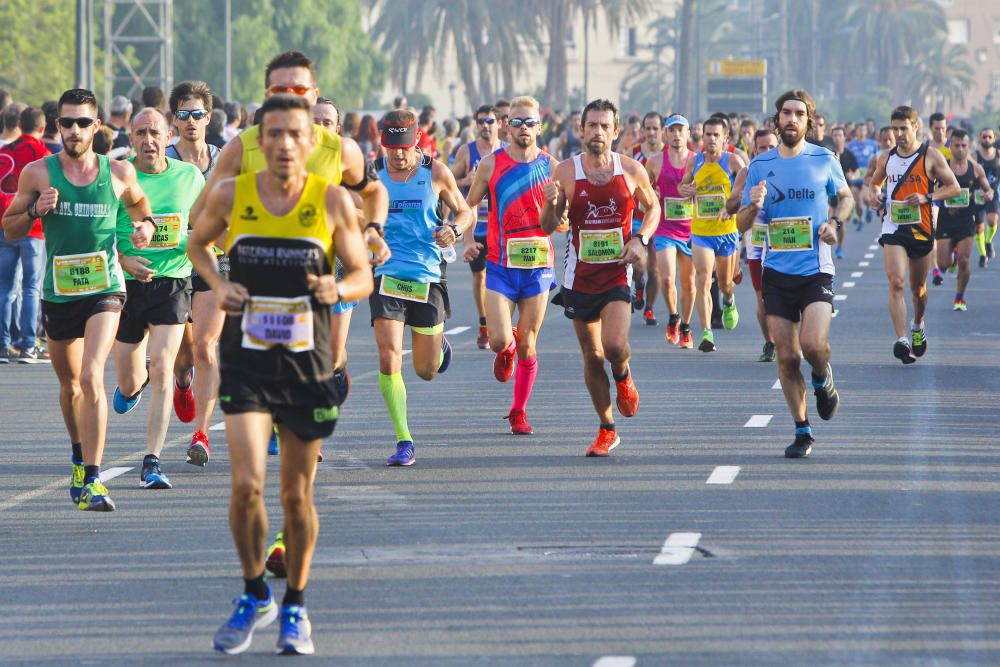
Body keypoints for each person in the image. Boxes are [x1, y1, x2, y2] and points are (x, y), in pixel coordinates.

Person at [190, 94, 371, 655]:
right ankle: (252, 593)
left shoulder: (333, 201)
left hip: (307, 364)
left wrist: (336, 288)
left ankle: (295, 603)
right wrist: (219, 286)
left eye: (297, 134)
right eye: (275, 134)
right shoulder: (232, 194)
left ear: (312, 141)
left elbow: (362, 274)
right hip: (247, 359)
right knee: (246, 485)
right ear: (259, 140)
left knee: (296, 496)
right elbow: (196, 242)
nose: (286, 144)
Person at [2, 88, 155, 511]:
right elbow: (9, 228)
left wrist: (145, 227)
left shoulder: (119, 173)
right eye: (67, 123)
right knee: (69, 387)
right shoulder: (38, 173)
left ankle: (93, 477)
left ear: (97, 127)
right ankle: (77, 454)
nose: (74, 130)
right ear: (57, 127)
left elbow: (142, 207)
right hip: (60, 292)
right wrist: (35, 212)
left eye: (83, 123)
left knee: (91, 376)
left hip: (106, 287)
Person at [736, 89, 854, 459]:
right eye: (785, 113)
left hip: (815, 268)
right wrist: (753, 207)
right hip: (776, 272)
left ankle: (822, 377)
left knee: (814, 345)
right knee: (787, 357)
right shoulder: (759, 166)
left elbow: (846, 197)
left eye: (798, 114)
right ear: (777, 120)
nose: (791, 119)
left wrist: (835, 221)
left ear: (808, 121)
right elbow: (739, 222)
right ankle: (802, 430)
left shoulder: (824, 158)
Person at [542, 99, 659, 456]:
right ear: (581, 130)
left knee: (613, 346)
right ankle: (607, 427)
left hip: (616, 273)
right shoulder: (564, 171)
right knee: (592, 356)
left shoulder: (631, 170)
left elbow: (654, 208)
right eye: (591, 125)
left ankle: (623, 374)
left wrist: (641, 239)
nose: (597, 131)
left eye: (604, 126)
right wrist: (552, 203)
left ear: (616, 131)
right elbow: (549, 225)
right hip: (579, 277)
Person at [371, 109, 473, 466]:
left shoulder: (436, 172)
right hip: (386, 274)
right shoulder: (373, 175)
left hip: (427, 276)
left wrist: (455, 230)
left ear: (416, 140)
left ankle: (439, 346)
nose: (397, 154)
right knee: (389, 357)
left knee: (425, 371)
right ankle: (404, 440)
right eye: (390, 147)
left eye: (402, 146)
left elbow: (465, 212)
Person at [109, 108, 205, 489]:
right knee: (132, 382)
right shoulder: (118, 176)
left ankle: (153, 461)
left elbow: (204, 225)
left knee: (165, 367)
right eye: (140, 133)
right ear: (130, 138)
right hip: (126, 285)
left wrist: (199, 245)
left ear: (169, 136)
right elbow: (100, 235)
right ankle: (132, 385)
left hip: (173, 282)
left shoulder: (189, 177)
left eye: (155, 132)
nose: (148, 140)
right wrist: (123, 259)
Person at [466, 96, 558, 435]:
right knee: (498, 340)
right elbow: (470, 205)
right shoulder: (491, 165)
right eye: (516, 122)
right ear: (507, 125)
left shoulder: (552, 166)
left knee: (529, 344)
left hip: (538, 266)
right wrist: (466, 239)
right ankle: (505, 347)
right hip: (501, 265)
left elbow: (560, 221)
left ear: (539, 126)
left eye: (529, 122)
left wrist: (557, 208)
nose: (523, 128)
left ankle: (518, 411)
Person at [162, 80, 224, 466]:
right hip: (171, 263)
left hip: (216, 263)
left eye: (197, 114)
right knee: (182, 355)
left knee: (205, 346)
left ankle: (200, 434)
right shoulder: (163, 159)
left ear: (209, 117)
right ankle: (182, 382)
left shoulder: (224, 159)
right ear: (174, 119)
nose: (191, 121)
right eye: (183, 115)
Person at [868, 106, 960, 364]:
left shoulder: (931, 157)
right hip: (893, 227)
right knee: (896, 281)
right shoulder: (886, 157)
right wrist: (874, 196)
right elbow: (874, 184)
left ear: (915, 127)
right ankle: (901, 340)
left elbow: (953, 188)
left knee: (918, 290)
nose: (897, 133)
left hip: (922, 228)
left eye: (903, 128)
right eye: (894, 128)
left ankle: (917, 325)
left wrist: (927, 197)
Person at [678, 116, 745, 352]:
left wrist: (733, 203)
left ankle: (728, 301)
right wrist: (685, 189)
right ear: (703, 136)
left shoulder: (733, 161)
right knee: (703, 280)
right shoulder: (694, 161)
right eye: (708, 134)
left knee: (726, 283)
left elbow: (745, 182)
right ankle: (706, 333)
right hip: (701, 232)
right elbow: (682, 187)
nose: (712, 139)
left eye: (717, 135)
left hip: (726, 231)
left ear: (725, 138)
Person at [0, 107, 51, 363]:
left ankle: (3, 345)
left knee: (5, 287)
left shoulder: (4, 153)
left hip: (6, 224)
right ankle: (28, 345)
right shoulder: (43, 156)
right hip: (34, 227)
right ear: (42, 129)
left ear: (19, 124)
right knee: (31, 287)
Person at [452, 104, 504, 350]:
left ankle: (501, 321)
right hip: (476, 224)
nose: (486, 125)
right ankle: (484, 322)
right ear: (475, 125)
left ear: (499, 124)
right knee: (479, 275)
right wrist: (468, 181)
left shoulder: (506, 152)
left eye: (490, 121)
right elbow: (449, 183)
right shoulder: (467, 150)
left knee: (501, 276)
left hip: (501, 228)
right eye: (481, 121)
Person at [644, 113, 696, 348]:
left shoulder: (697, 160)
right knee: (666, 278)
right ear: (666, 134)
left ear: (688, 133)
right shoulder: (654, 161)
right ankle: (673, 317)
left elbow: (711, 193)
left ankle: (685, 326)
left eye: (680, 130)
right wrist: (650, 198)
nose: (676, 135)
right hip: (664, 228)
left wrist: (697, 193)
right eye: (672, 130)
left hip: (691, 229)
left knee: (690, 284)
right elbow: (641, 195)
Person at [728, 127, 778, 362]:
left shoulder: (789, 169)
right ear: (753, 149)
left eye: (771, 147)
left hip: (786, 241)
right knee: (762, 297)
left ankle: (789, 336)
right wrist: (739, 201)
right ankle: (769, 342)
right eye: (762, 148)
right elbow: (732, 201)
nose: (767, 151)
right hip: (757, 243)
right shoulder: (747, 173)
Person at [933, 129, 993, 310]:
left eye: (963, 146)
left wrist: (988, 193)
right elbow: (930, 185)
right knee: (943, 265)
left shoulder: (975, 168)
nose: (960, 149)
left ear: (969, 147)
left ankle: (960, 298)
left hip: (967, 219)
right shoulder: (943, 167)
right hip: (946, 219)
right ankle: (951, 256)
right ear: (950, 146)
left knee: (964, 261)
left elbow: (987, 188)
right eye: (956, 145)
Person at [629, 111, 664, 326]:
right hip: (637, 218)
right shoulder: (633, 154)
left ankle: (649, 309)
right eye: (648, 128)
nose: (651, 132)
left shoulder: (669, 156)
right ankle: (637, 282)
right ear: (642, 131)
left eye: (655, 128)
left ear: (662, 131)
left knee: (656, 268)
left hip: (661, 220)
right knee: (638, 264)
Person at [974, 128, 999, 267]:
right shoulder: (974, 155)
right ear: (980, 138)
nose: (987, 139)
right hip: (978, 195)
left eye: (990, 136)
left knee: (992, 220)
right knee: (979, 228)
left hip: (993, 194)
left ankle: (988, 241)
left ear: (994, 138)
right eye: (984, 136)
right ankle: (983, 255)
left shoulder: (998, 155)